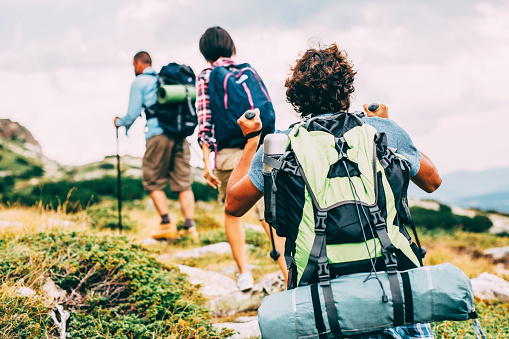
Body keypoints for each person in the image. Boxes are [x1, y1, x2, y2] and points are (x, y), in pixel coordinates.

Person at [225, 43, 441, 338]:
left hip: (319, 295)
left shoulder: (280, 144)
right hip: (392, 287)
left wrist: (251, 140)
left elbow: (233, 204)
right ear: (347, 90)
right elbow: (432, 181)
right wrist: (387, 124)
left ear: (296, 99)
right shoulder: (379, 132)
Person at [197, 27, 287, 292]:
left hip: (227, 154)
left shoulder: (207, 76)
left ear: (205, 52)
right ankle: (289, 274)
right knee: (267, 214)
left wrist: (205, 160)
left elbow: (205, 123)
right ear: (230, 47)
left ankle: (244, 273)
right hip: (259, 145)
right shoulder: (248, 71)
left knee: (232, 210)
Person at [114, 51, 198, 241]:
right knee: (183, 183)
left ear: (137, 63)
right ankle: (190, 228)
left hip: (158, 135)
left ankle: (166, 224)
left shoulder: (140, 82)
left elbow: (133, 113)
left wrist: (119, 122)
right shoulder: (165, 79)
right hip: (180, 135)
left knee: (153, 180)